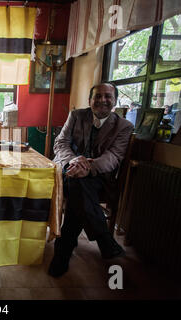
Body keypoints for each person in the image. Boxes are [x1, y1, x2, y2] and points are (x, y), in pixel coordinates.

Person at [48, 82, 134, 278]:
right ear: (90, 100)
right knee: (75, 182)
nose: (103, 100)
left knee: (78, 185)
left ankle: (63, 251)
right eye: (98, 96)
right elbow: (61, 143)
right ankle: (104, 238)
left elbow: (114, 156)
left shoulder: (124, 126)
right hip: (69, 170)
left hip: (98, 178)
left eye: (108, 96)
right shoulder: (77, 116)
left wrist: (87, 167)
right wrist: (73, 161)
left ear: (114, 101)